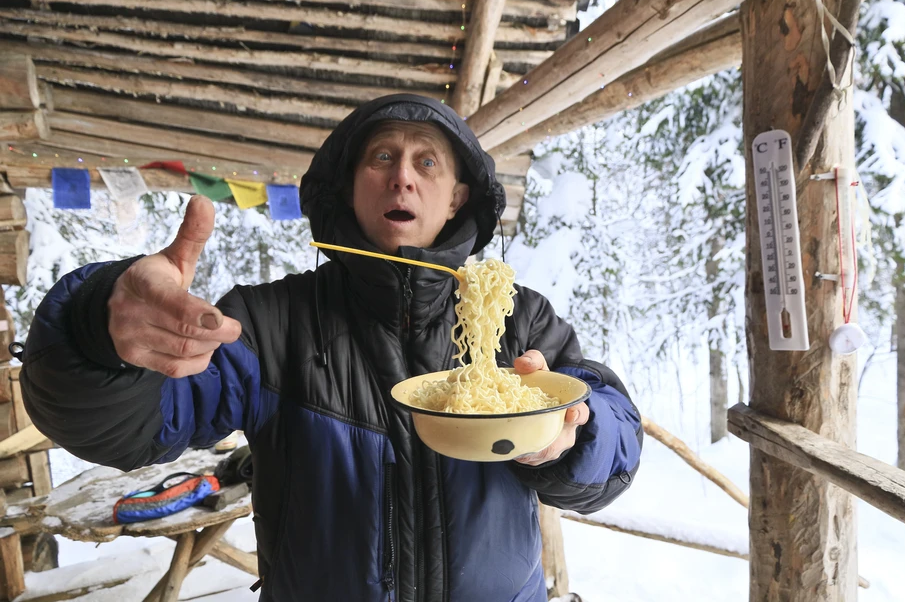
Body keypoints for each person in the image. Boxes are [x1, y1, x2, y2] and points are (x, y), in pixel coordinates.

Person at [20, 94, 643, 601]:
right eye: (381, 157)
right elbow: (125, 429)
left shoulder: (519, 319)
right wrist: (94, 334)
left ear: (457, 196)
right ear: (348, 186)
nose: (402, 174)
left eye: (428, 163)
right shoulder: (269, 324)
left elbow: (613, 440)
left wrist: (573, 438)